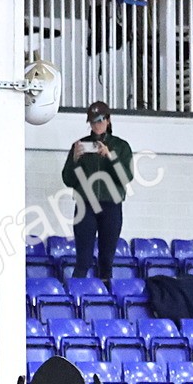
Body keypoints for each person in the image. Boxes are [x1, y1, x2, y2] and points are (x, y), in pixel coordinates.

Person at [61, 101, 134, 283]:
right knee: (83, 260)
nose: (97, 125)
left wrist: (110, 156)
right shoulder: (80, 145)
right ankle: (77, 296)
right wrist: (75, 160)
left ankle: (106, 301)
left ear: (108, 120)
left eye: (101, 120)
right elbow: (68, 179)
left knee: (106, 260)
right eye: (93, 121)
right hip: (86, 205)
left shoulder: (121, 146)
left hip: (111, 204)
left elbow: (126, 177)